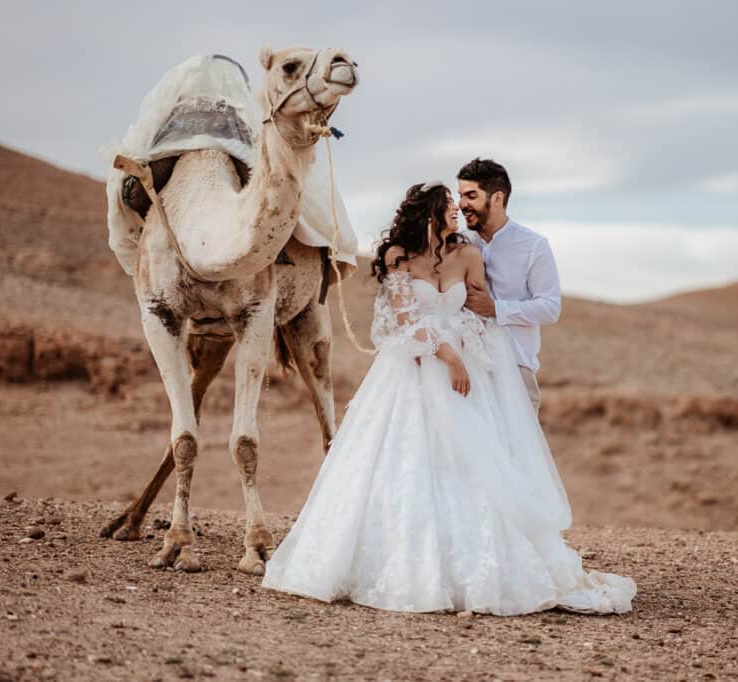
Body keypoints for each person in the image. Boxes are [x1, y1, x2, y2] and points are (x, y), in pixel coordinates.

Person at [261, 182, 635, 615]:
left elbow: (478, 311)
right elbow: (404, 317)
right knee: (401, 458)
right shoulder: (398, 255)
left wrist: (469, 353)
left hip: (465, 370)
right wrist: (447, 354)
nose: (457, 212)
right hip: (412, 367)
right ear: (429, 213)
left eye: (459, 205)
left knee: (475, 458)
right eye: (449, 206)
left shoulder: (468, 255)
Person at [458, 158, 560, 413]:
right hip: (466, 372)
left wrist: (496, 308)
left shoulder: (534, 245)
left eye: (471, 195)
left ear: (497, 198)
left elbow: (550, 308)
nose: (462, 204)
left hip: (516, 369)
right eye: (460, 195)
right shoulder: (457, 243)